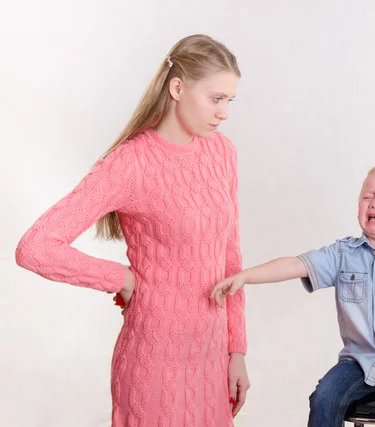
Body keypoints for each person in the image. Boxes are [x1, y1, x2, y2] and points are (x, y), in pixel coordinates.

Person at [15, 34, 250, 427]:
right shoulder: (130, 163)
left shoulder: (222, 152)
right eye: (215, 98)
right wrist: (121, 278)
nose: (224, 112)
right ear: (177, 88)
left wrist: (237, 350)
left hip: (211, 359)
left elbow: (231, 256)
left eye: (230, 100)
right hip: (155, 361)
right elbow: (35, 247)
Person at [211, 165, 375, 427]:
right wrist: (246, 275)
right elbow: (295, 264)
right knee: (324, 397)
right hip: (358, 362)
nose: (374, 203)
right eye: (367, 196)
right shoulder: (342, 254)